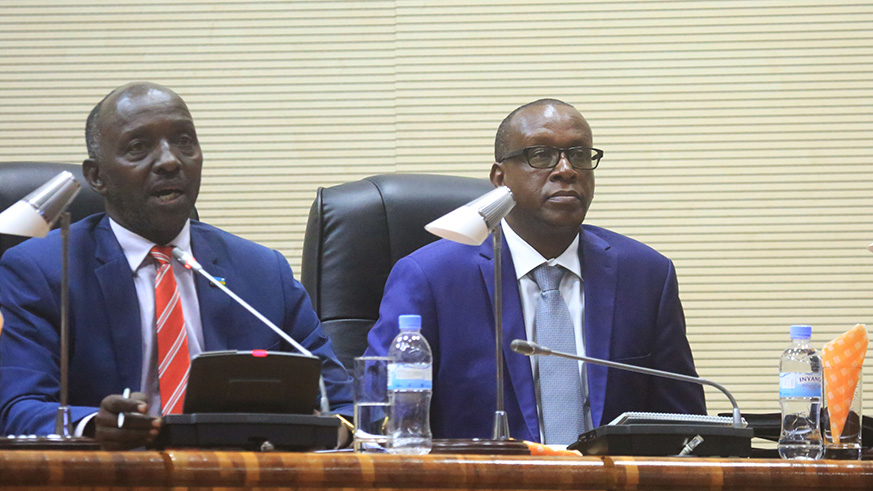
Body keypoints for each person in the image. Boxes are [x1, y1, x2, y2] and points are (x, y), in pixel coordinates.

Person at [0, 82, 353, 449]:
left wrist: (319, 431)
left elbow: (342, 405)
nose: (170, 161)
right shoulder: (42, 270)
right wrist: (90, 425)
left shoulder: (262, 271)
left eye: (184, 141)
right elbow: (16, 406)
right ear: (97, 177)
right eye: (139, 148)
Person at [365, 98, 706, 444]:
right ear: (500, 178)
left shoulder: (645, 275)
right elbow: (380, 419)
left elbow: (685, 427)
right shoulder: (430, 278)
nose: (566, 170)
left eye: (580, 155)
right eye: (540, 155)